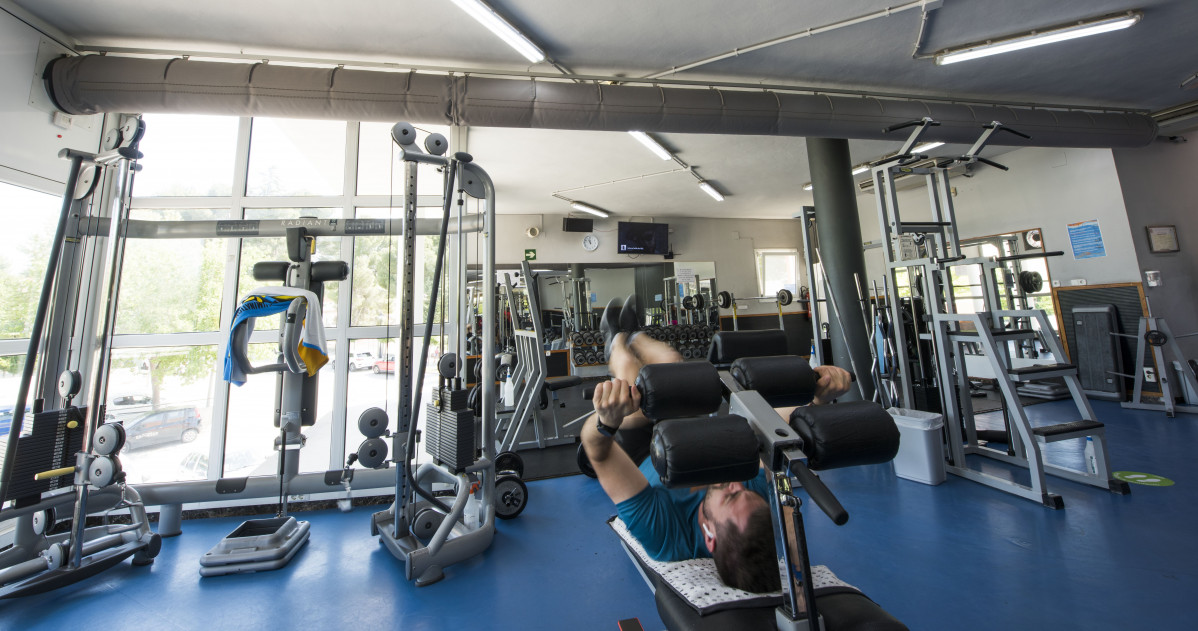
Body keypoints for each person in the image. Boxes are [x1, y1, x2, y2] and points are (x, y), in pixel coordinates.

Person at [581, 303, 852, 594]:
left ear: (710, 535)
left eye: (729, 497)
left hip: (644, 452)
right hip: (697, 438)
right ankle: (637, 335)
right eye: (744, 491)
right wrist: (818, 398)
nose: (735, 484)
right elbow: (779, 427)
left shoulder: (666, 536)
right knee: (672, 363)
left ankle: (618, 340)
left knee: (634, 385)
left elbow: (599, 452)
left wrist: (606, 421)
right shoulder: (752, 502)